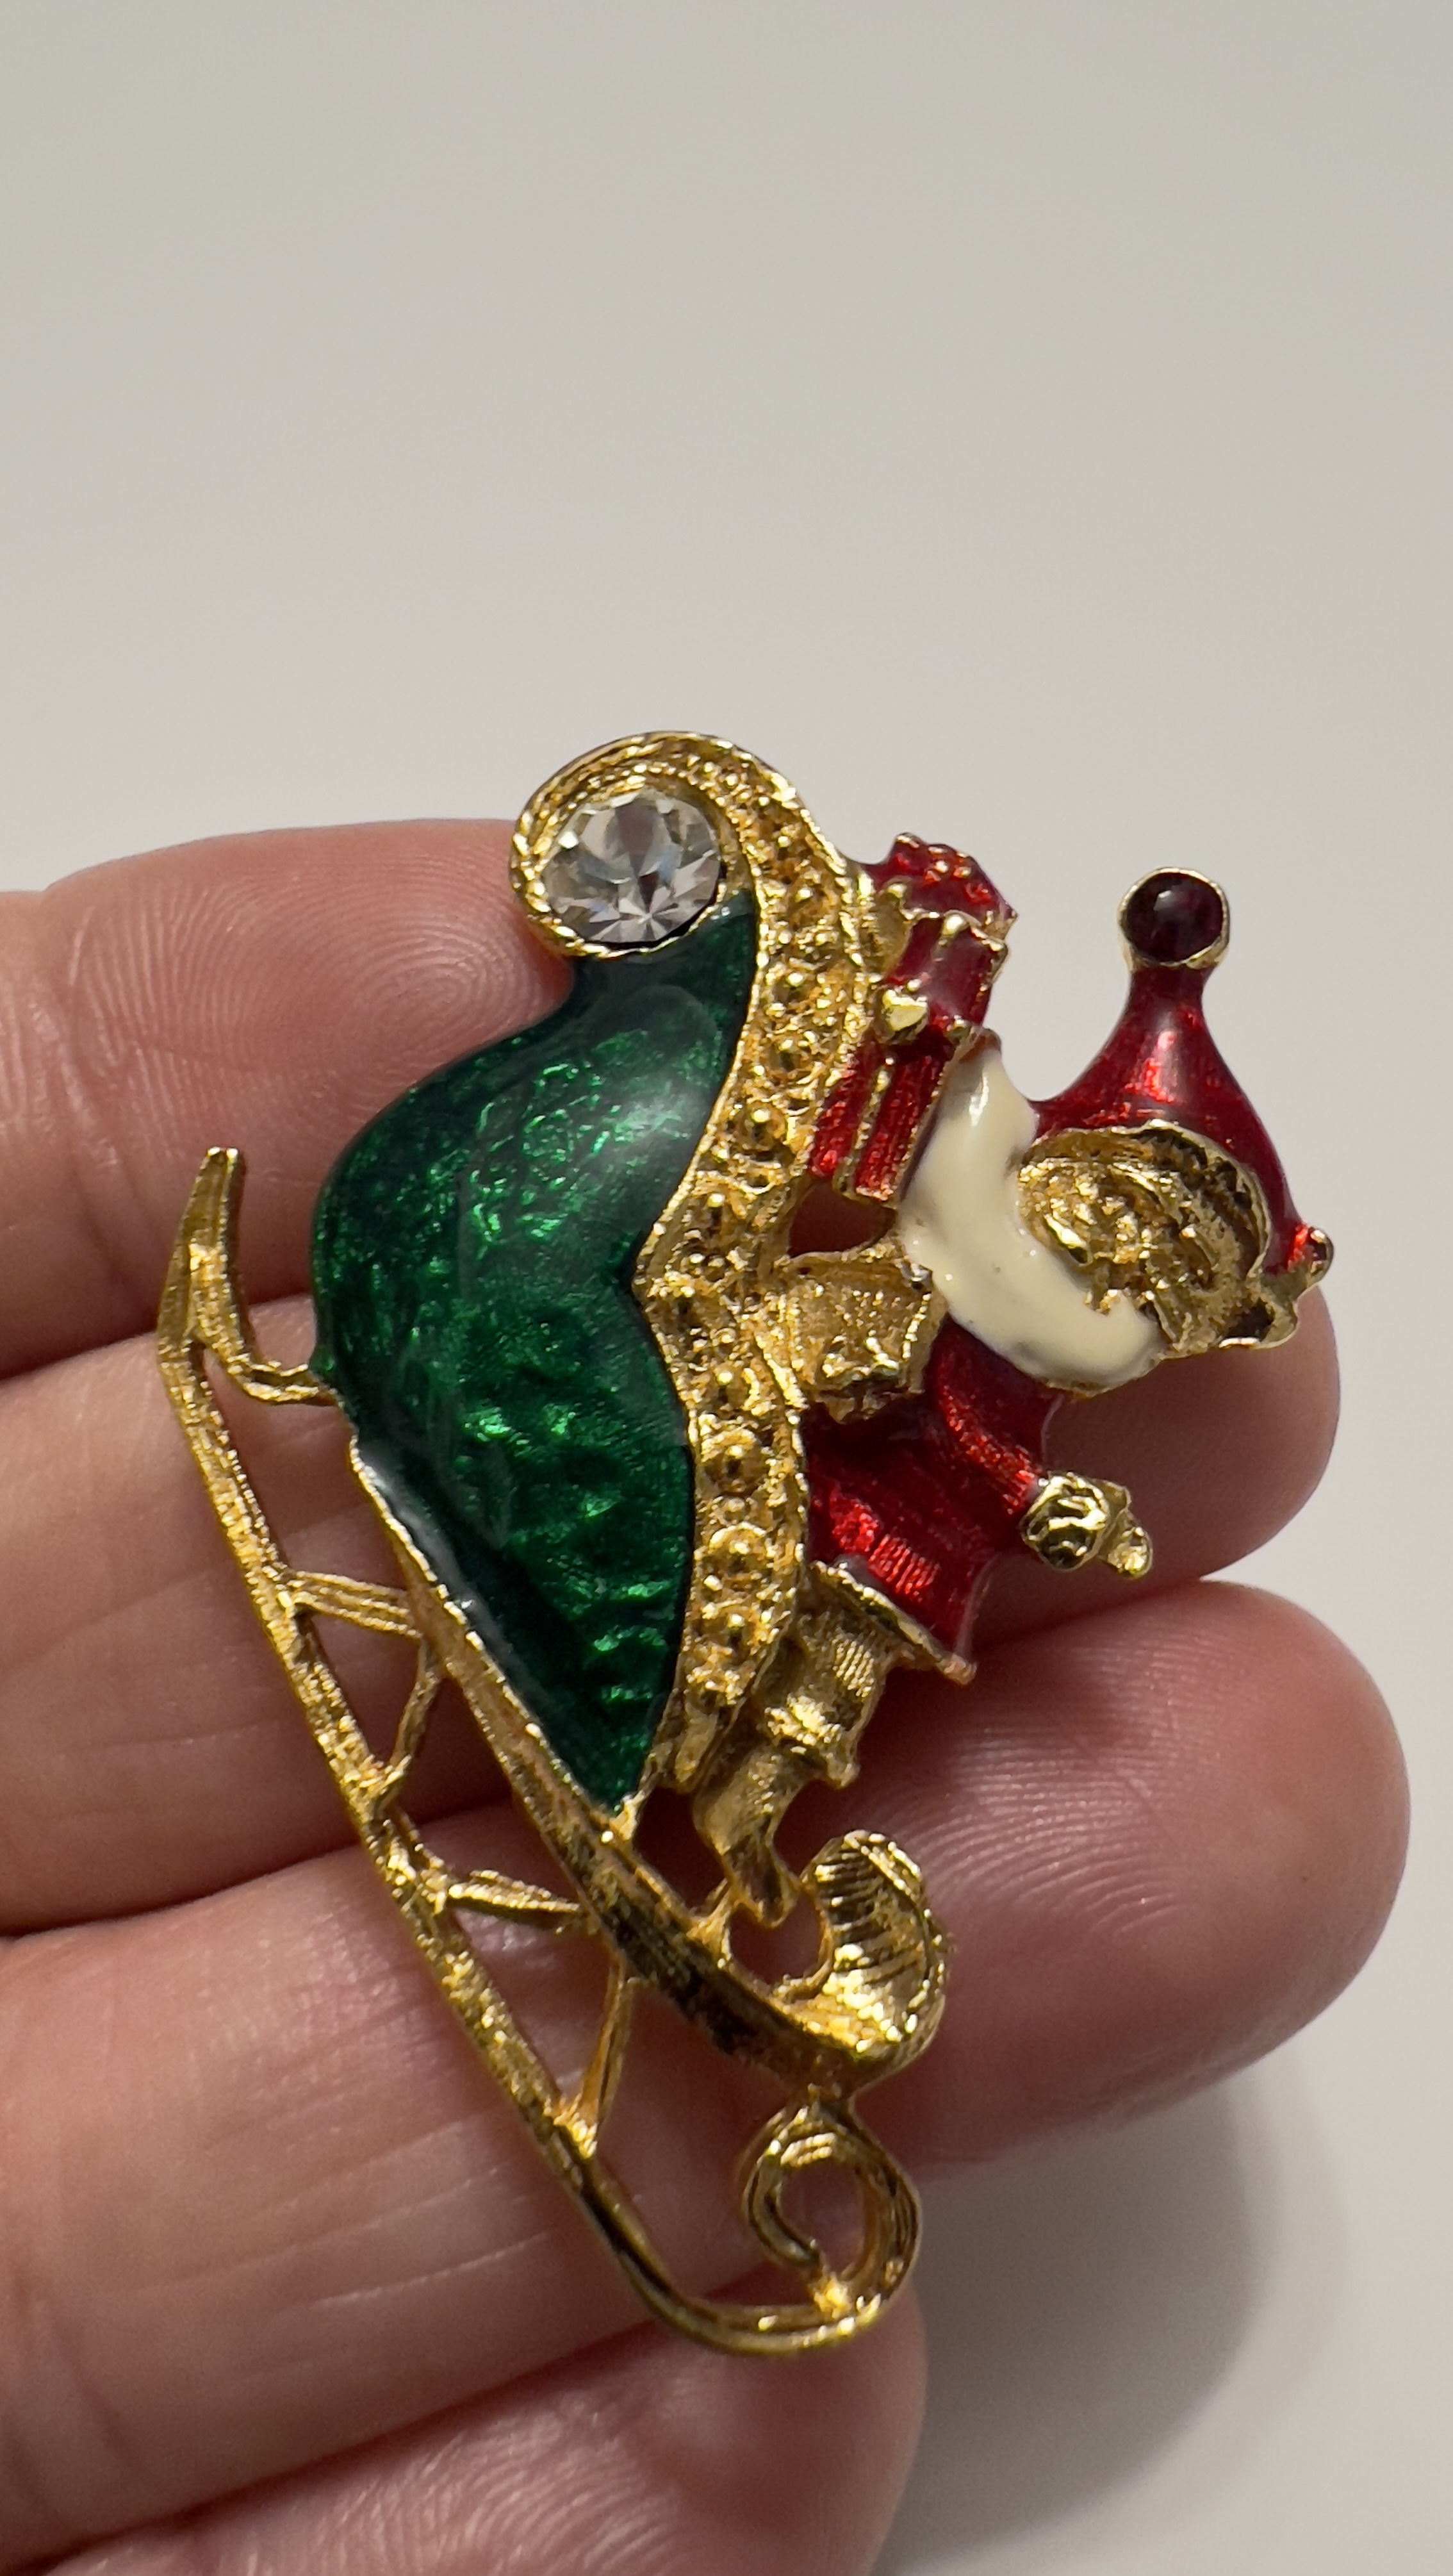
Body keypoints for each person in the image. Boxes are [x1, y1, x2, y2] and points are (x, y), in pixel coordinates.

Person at [0, 816, 1405, 2574]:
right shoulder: (957, 1191)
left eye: (1174, 1277)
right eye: (1127, 1212)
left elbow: (997, 1413)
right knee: (709, 1631)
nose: (1128, 1266)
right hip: (761, 1444)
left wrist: (1040, 1499)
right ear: (1078, 1165)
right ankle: (644, 1742)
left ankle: (731, 1865)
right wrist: (922, 971)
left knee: (796, 1714)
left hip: (888, 1558)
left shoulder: (1056, 1321)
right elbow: (875, 1146)